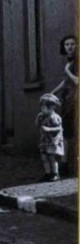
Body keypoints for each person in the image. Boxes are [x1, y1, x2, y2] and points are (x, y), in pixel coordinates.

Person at [51, 34, 77, 175]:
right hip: (68, 101)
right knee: (66, 133)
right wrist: (52, 93)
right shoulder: (69, 62)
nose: (69, 47)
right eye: (67, 45)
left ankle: (65, 165)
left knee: (68, 134)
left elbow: (77, 81)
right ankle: (64, 165)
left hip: (76, 100)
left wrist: (67, 70)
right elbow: (65, 81)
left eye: (72, 44)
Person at [36, 93, 64, 182]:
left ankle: (55, 173)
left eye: (44, 108)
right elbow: (37, 125)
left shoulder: (54, 117)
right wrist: (38, 119)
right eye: (41, 107)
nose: (42, 109)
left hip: (53, 141)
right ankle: (47, 173)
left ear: (51, 108)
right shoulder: (42, 116)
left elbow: (59, 128)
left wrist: (49, 129)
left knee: (52, 157)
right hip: (44, 141)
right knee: (44, 157)